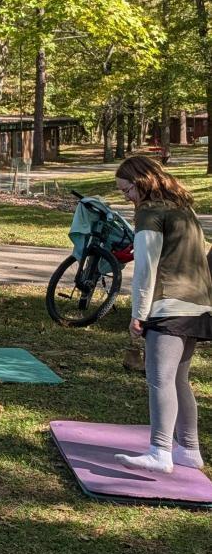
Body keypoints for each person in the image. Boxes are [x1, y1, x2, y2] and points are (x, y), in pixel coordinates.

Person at [115, 154, 211, 473]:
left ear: (141, 181)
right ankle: (190, 450)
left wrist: (138, 313)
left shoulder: (149, 213)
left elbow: (145, 267)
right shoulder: (185, 211)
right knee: (179, 380)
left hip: (168, 306)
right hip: (198, 306)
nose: (125, 196)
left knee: (159, 379)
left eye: (126, 189)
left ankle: (160, 451)